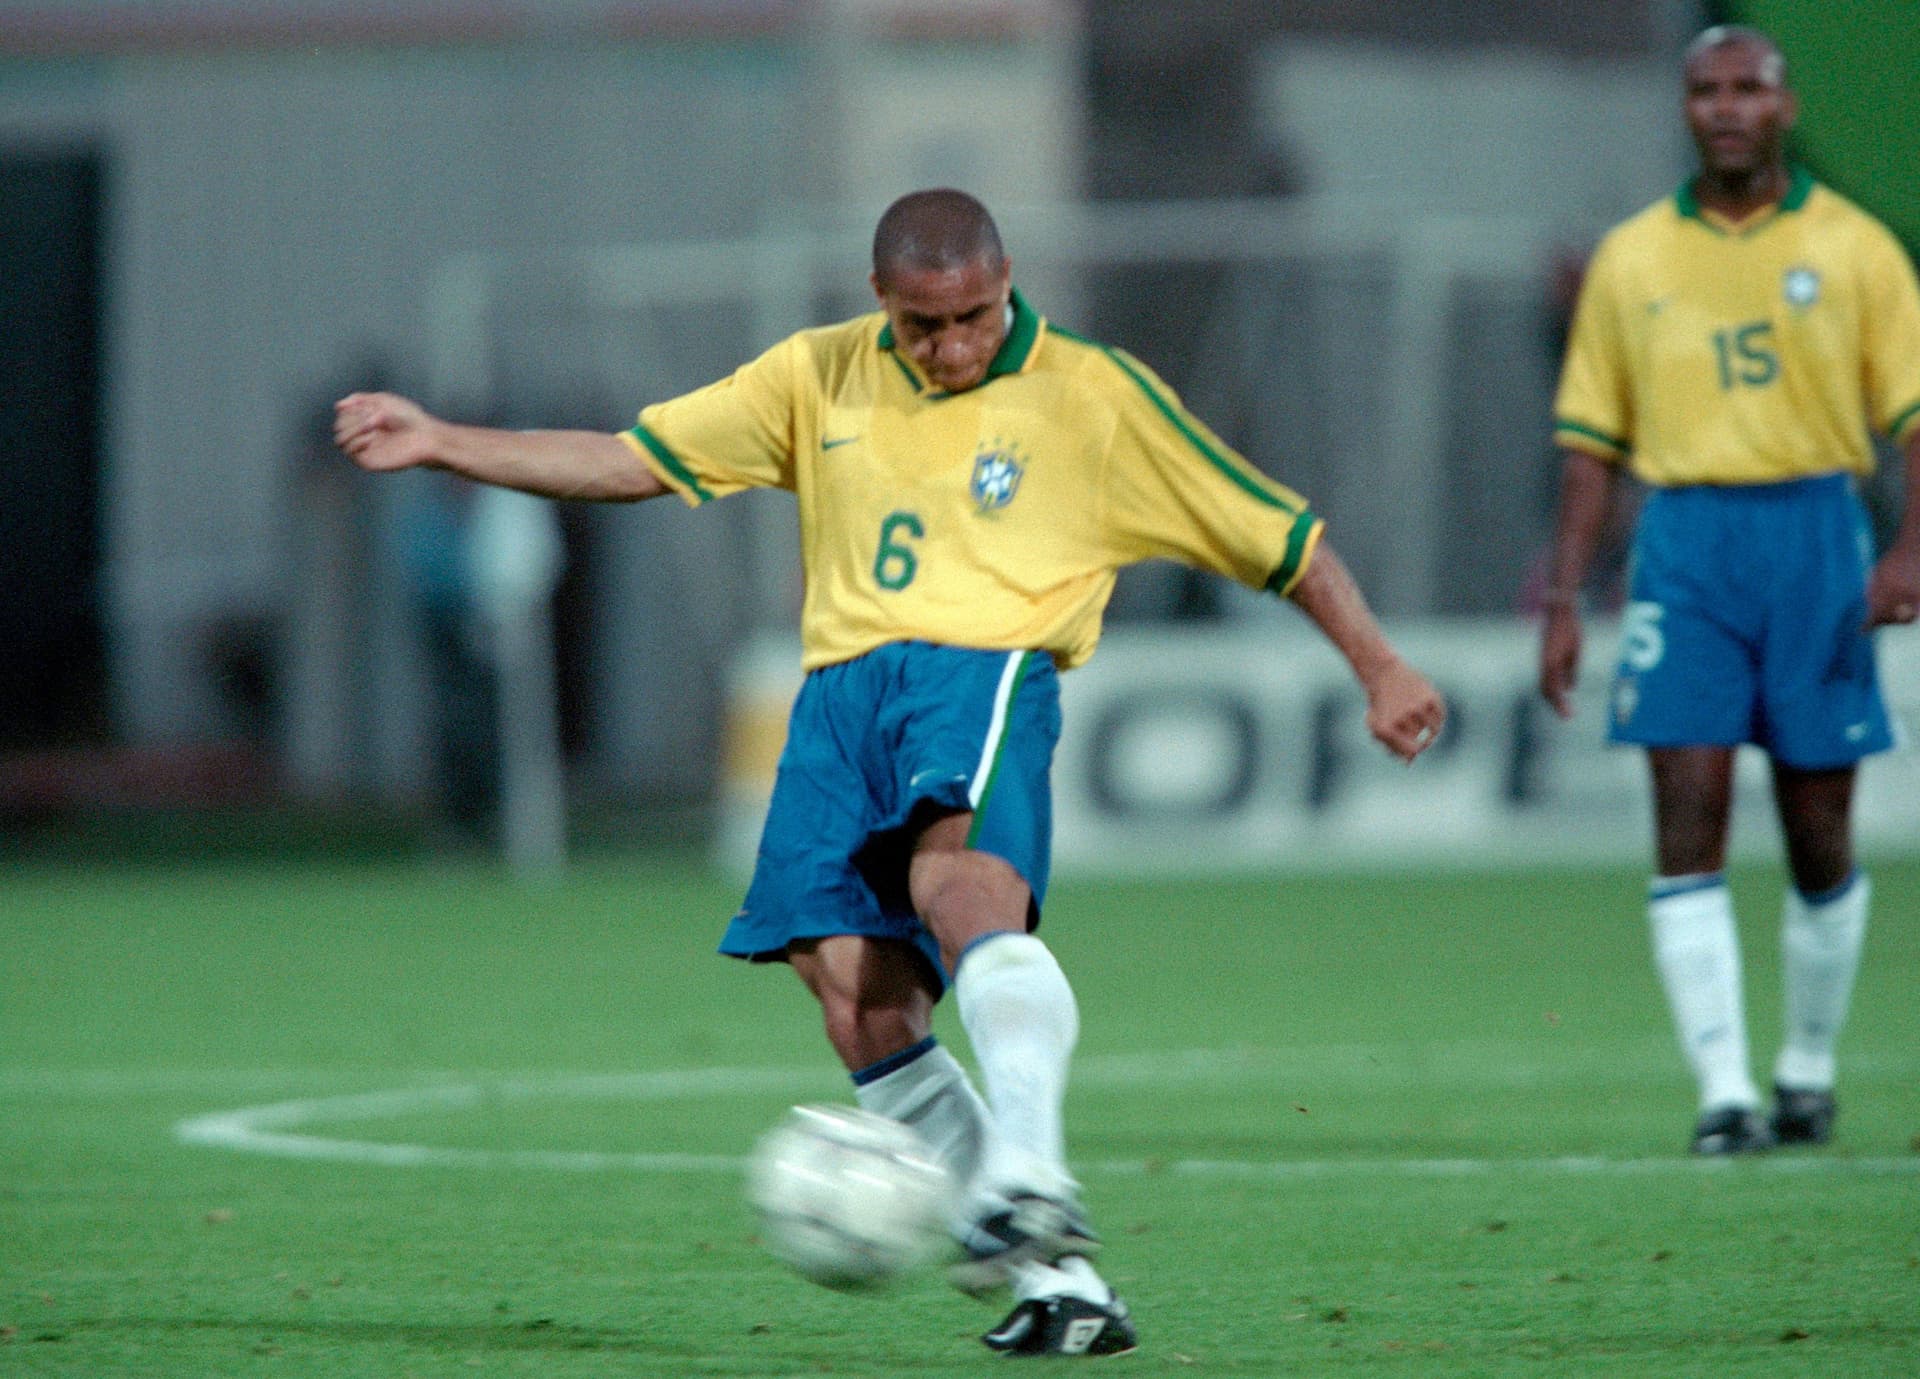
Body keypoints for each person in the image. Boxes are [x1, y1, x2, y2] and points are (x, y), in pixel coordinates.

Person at [337, 188, 1447, 1356]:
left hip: (980, 671)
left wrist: (1378, 664)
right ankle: (1057, 1274)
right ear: (881, 302)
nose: (956, 345)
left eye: (976, 315)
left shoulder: (1092, 392)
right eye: (927, 326)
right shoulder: (815, 375)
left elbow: (1279, 534)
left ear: (1007, 279)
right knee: (855, 997)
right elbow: (629, 458)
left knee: (960, 891)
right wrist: (444, 440)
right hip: (837, 703)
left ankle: (1028, 1167)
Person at [1539, 28, 1920, 1156]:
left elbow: (1911, 419)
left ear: (1784, 103)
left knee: (1818, 831)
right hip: (1687, 542)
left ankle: (1805, 1067)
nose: (1726, 107)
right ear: (1687, 109)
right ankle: (1724, 1093)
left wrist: (1905, 554)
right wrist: (1564, 596)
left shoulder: (1855, 247)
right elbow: (1588, 446)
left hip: (1815, 532)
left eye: (1747, 87)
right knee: (1686, 813)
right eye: (1705, 90)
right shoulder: (1634, 257)